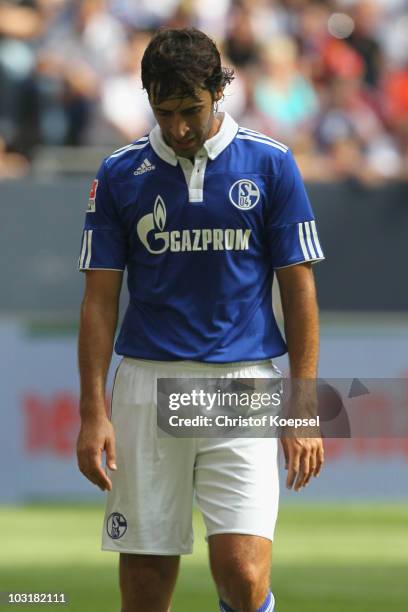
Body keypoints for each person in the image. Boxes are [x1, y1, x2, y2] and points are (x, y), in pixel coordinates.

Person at [76, 27, 325, 612]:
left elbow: (300, 290)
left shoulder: (271, 164)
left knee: (242, 573)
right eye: (165, 111)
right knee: (144, 582)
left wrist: (305, 403)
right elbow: (98, 301)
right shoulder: (118, 174)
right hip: (145, 383)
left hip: (243, 384)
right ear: (147, 98)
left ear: (220, 90)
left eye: (191, 109)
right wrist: (92, 411)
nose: (180, 126)